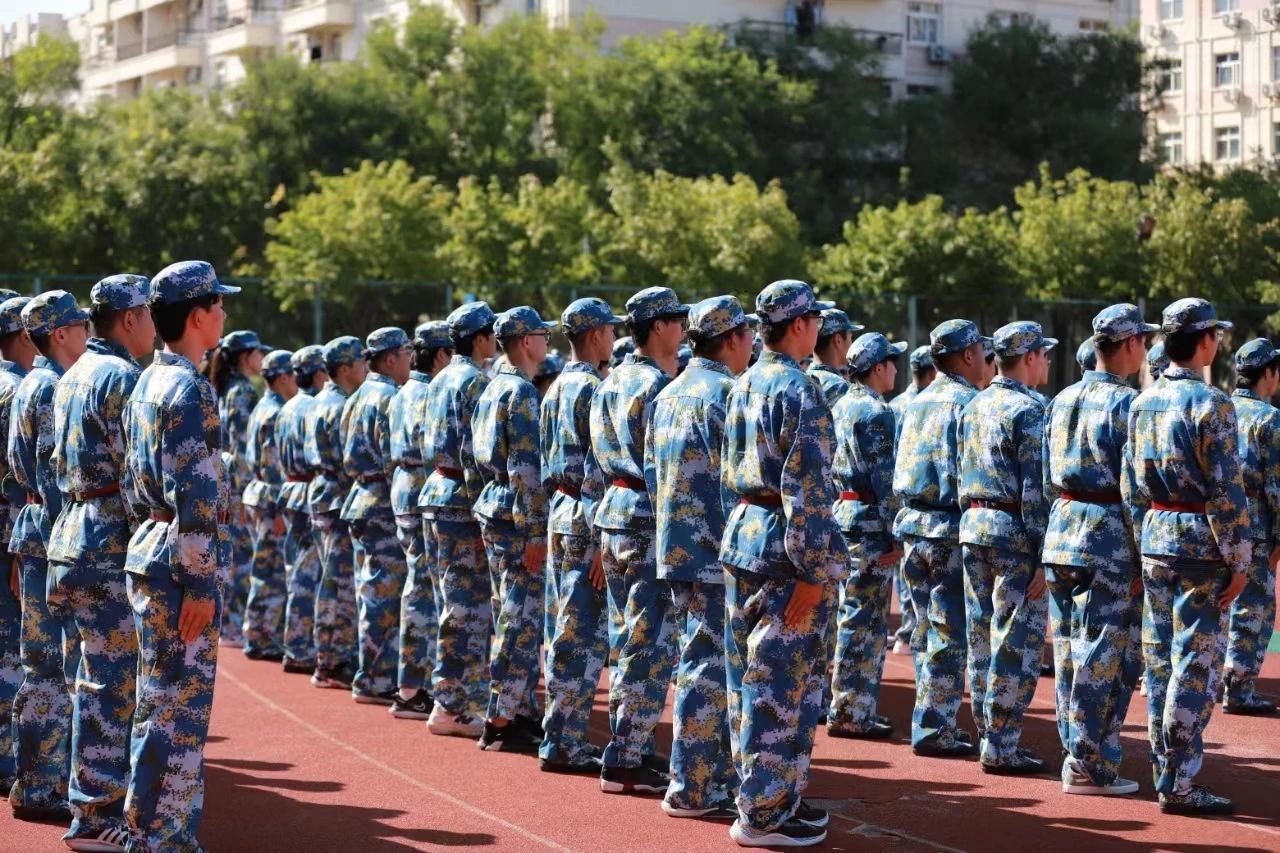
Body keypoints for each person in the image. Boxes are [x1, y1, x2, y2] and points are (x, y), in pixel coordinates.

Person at [720, 280, 846, 848]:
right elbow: (809, 490)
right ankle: (765, 812)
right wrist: (813, 573)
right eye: (815, 319)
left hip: (748, 533)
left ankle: (770, 796)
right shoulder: (800, 389)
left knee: (753, 677)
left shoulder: (745, 381)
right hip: (784, 549)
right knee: (782, 683)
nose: (819, 327)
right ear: (799, 325)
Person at [120, 260, 238, 852]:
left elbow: (129, 480)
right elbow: (197, 493)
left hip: (150, 547)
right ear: (197, 316)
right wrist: (199, 584)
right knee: (180, 709)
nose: (224, 312)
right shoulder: (190, 388)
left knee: (157, 701)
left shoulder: (147, 380)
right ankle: (163, 837)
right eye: (218, 303)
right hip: (176, 561)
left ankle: (150, 830)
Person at [1126, 297, 1249, 816]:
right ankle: (1179, 781)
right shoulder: (1212, 403)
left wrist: (1141, 540)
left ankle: (1166, 770)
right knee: (1195, 664)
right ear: (1203, 341)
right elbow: (1226, 490)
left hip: (1157, 536)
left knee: (1160, 662)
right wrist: (1239, 558)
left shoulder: (1143, 401)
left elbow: (1132, 486)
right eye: (1215, 334)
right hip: (1200, 543)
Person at [47, 275, 154, 850]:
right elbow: (135, 471)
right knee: (113, 684)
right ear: (130, 318)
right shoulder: (119, 376)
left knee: (92, 678)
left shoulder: (73, 373)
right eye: (149, 313)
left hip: (73, 532)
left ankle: (89, 804)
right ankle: (95, 814)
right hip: (108, 535)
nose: (155, 323)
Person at [646, 296, 752, 821]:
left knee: (697, 661)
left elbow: (652, 476)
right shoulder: (727, 394)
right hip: (717, 552)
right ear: (731, 339)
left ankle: (697, 780)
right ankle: (694, 786)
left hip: (678, 547)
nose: (752, 343)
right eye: (747, 334)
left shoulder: (669, 392)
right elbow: (738, 482)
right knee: (714, 668)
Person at [1043, 304, 1155, 797]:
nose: (1146, 349)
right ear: (1129, 344)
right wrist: (1142, 551)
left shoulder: (1061, 398)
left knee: (1069, 651)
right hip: (1107, 538)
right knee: (1105, 654)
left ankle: (1077, 753)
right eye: (1143, 340)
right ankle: (1089, 763)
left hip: (1063, 529)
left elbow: (1046, 477)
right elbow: (1135, 488)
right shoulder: (1129, 404)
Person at [591, 286, 688, 795]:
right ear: (657, 327)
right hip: (647, 517)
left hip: (614, 512)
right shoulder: (656, 386)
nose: (683, 327)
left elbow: (592, 464)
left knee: (628, 637)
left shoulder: (610, 381)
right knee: (649, 642)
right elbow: (664, 468)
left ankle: (628, 744)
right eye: (676, 319)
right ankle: (627, 754)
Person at [957, 321, 1056, 775]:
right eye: (1043, 354)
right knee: (1015, 643)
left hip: (974, 526)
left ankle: (989, 735)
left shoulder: (974, 403)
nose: (1046, 362)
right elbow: (1035, 491)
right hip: (1013, 533)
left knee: (981, 639)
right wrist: (1043, 553)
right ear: (1030, 357)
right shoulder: (1030, 410)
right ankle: (1001, 743)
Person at [7, 290, 90, 822]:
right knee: (55, 666)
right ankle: (43, 784)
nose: (87, 332)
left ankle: (33, 781)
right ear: (60, 334)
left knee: (41, 664)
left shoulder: (30, 383)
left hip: (33, 528)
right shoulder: (52, 386)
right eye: (79, 325)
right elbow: (56, 475)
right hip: (54, 532)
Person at [892, 319, 985, 757]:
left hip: (914, 526)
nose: (985, 359)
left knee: (924, 628)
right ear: (967, 355)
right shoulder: (970, 404)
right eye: (980, 351)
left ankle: (928, 716)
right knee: (949, 632)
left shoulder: (917, 402)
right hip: (948, 527)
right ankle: (935, 727)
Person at [539, 298, 623, 774]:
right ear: (595, 336)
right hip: (583, 517)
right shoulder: (592, 387)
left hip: (561, 509)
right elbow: (597, 467)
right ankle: (564, 742)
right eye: (609, 330)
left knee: (566, 629)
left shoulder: (555, 386)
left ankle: (560, 735)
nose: (613, 337)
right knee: (582, 633)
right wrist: (598, 540)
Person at [472, 306, 556, 751]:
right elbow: (526, 469)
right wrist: (536, 532)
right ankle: (501, 718)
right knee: (520, 619)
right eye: (543, 335)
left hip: (495, 507)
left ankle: (517, 708)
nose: (547, 342)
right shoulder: (520, 392)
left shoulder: (492, 386)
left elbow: (472, 459)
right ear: (526, 341)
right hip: (514, 515)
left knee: (510, 610)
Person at [418, 302, 497, 738]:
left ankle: (452, 697)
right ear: (480, 338)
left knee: (450, 602)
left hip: (436, 492)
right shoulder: (474, 382)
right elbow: (477, 453)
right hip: (462, 500)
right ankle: (452, 704)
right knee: (467, 606)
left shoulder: (440, 378)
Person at [828, 332, 906, 740]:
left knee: (852, 615)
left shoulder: (841, 404)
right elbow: (886, 480)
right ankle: (851, 711)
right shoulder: (876, 412)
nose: (895, 370)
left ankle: (849, 706)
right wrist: (896, 533)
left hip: (845, 514)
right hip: (870, 522)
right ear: (877, 368)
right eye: (892, 362)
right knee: (865, 621)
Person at [340, 327, 412, 705]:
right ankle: (376, 679)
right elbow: (391, 458)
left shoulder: (357, 395)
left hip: (360, 498)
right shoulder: (388, 397)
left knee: (369, 591)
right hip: (381, 502)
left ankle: (370, 672)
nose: (410, 359)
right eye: (405, 353)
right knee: (385, 594)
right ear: (390, 358)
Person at [388, 321, 452, 721]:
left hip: (403, 484)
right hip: (422, 484)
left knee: (420, 585)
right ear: (441, 355)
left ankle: (414, 683)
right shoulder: (430, 392)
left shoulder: (401, 392)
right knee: (428, 589)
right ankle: (414, 686)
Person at [304, 336, 367, 690]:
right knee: (338, 582)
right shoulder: (341, 405)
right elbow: (348, 460)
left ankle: (328, 657)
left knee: (330, 579)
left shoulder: (317, 400)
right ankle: (332, 661)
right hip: (337, 496)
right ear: (345, 369)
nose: (365, 367)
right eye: (360, 361)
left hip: (322, 493)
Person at [1222, 339, 1280, 716]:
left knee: (1222, 603)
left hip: (1217, 524)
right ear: (1267, 373)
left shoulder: (1220, 407)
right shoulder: (1269, 419)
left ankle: (1216, 680)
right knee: (1253, 608)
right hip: (1256, 529)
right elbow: (1276, 486)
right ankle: (1239, 689)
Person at [207, 329, 266, 648]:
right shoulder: (242, 390)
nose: (262, 358)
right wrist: (244, 491)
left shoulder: (227, 387)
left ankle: (227, 622)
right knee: (240, 556)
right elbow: (242, 445)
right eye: (258, 352)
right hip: (237, 483)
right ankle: (230, 624)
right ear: (246, 356)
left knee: (231, 553)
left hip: (226, 479)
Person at [240, 349, 298, 662]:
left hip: (258, 494)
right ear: (283, 378)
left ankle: (258, 634)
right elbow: (272, 465)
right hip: (269, 497)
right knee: (271, 572)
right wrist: (277, 510)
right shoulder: (275, 412)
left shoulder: (264, 406)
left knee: (264, 569)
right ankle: (262, 637)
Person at [275, 345, 328, 675]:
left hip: (290, 489)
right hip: (307, 489)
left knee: (296, 569)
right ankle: (301, 647)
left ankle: (296, 644)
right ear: (319, 373)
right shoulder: (313, 406)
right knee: (309, 573)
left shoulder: (288, 406)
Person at [0, 294, 34, 799]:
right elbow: (23, 475)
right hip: (9, 526)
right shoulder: (19, 389)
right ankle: (7, 758)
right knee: (12, 647)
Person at [889, 345, 934, 657]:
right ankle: (911, 632)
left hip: (904, 506)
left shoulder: (897, 405)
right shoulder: (926, 405)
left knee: (906, 577)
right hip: (927, 507)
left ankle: (907, 632)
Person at [806, 308, 862, 408]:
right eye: (850, 338)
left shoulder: (802, 379)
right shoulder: (840, 388)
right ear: (838, 340)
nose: (852, 344)